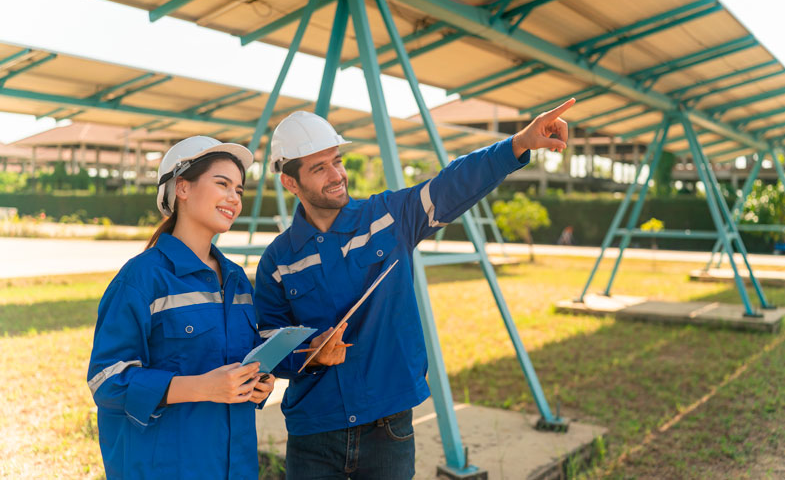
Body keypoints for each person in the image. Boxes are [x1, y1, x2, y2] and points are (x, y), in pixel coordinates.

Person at [254, 99, 574, 479]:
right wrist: (311, 353)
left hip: (387, 430)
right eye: (319, 168)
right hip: (313, 434)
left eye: (337, 160)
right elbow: (267, 341)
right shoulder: (278, 260)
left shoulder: (389, 217)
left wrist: (518, 143)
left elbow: (453, 183)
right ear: (290, 182)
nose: (337, 174)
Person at [87, 136, 276, 479]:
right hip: (168, 467)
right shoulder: (142, 278)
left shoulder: (235, 279)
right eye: (222, 184)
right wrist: (202, 387)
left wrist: (256, 383)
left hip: (236, 467)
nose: (234, 197)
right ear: (183, 189)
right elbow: (107, 381)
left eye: (239, 189)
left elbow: (234, 362)